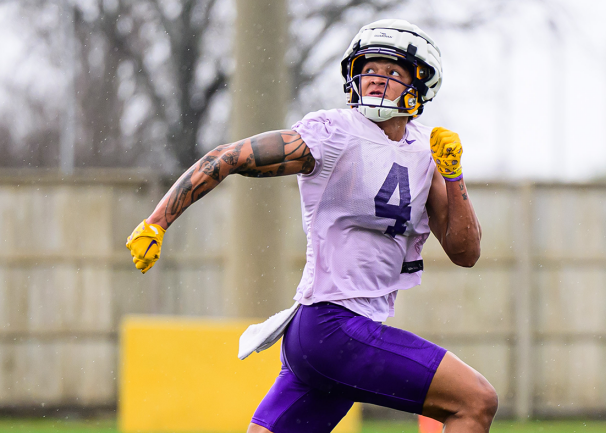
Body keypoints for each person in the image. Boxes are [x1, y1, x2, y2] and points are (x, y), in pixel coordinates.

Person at [126, 19, 497, 433]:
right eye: (368, 69)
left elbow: (465, 253)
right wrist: (157, 222)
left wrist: (453, 175)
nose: (377, 79)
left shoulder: (427, 151)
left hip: (328, 337)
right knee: (475, 400)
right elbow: (228, 156)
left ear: (420, 84)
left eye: (392, 71)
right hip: (332, 326)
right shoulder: (334, 133)